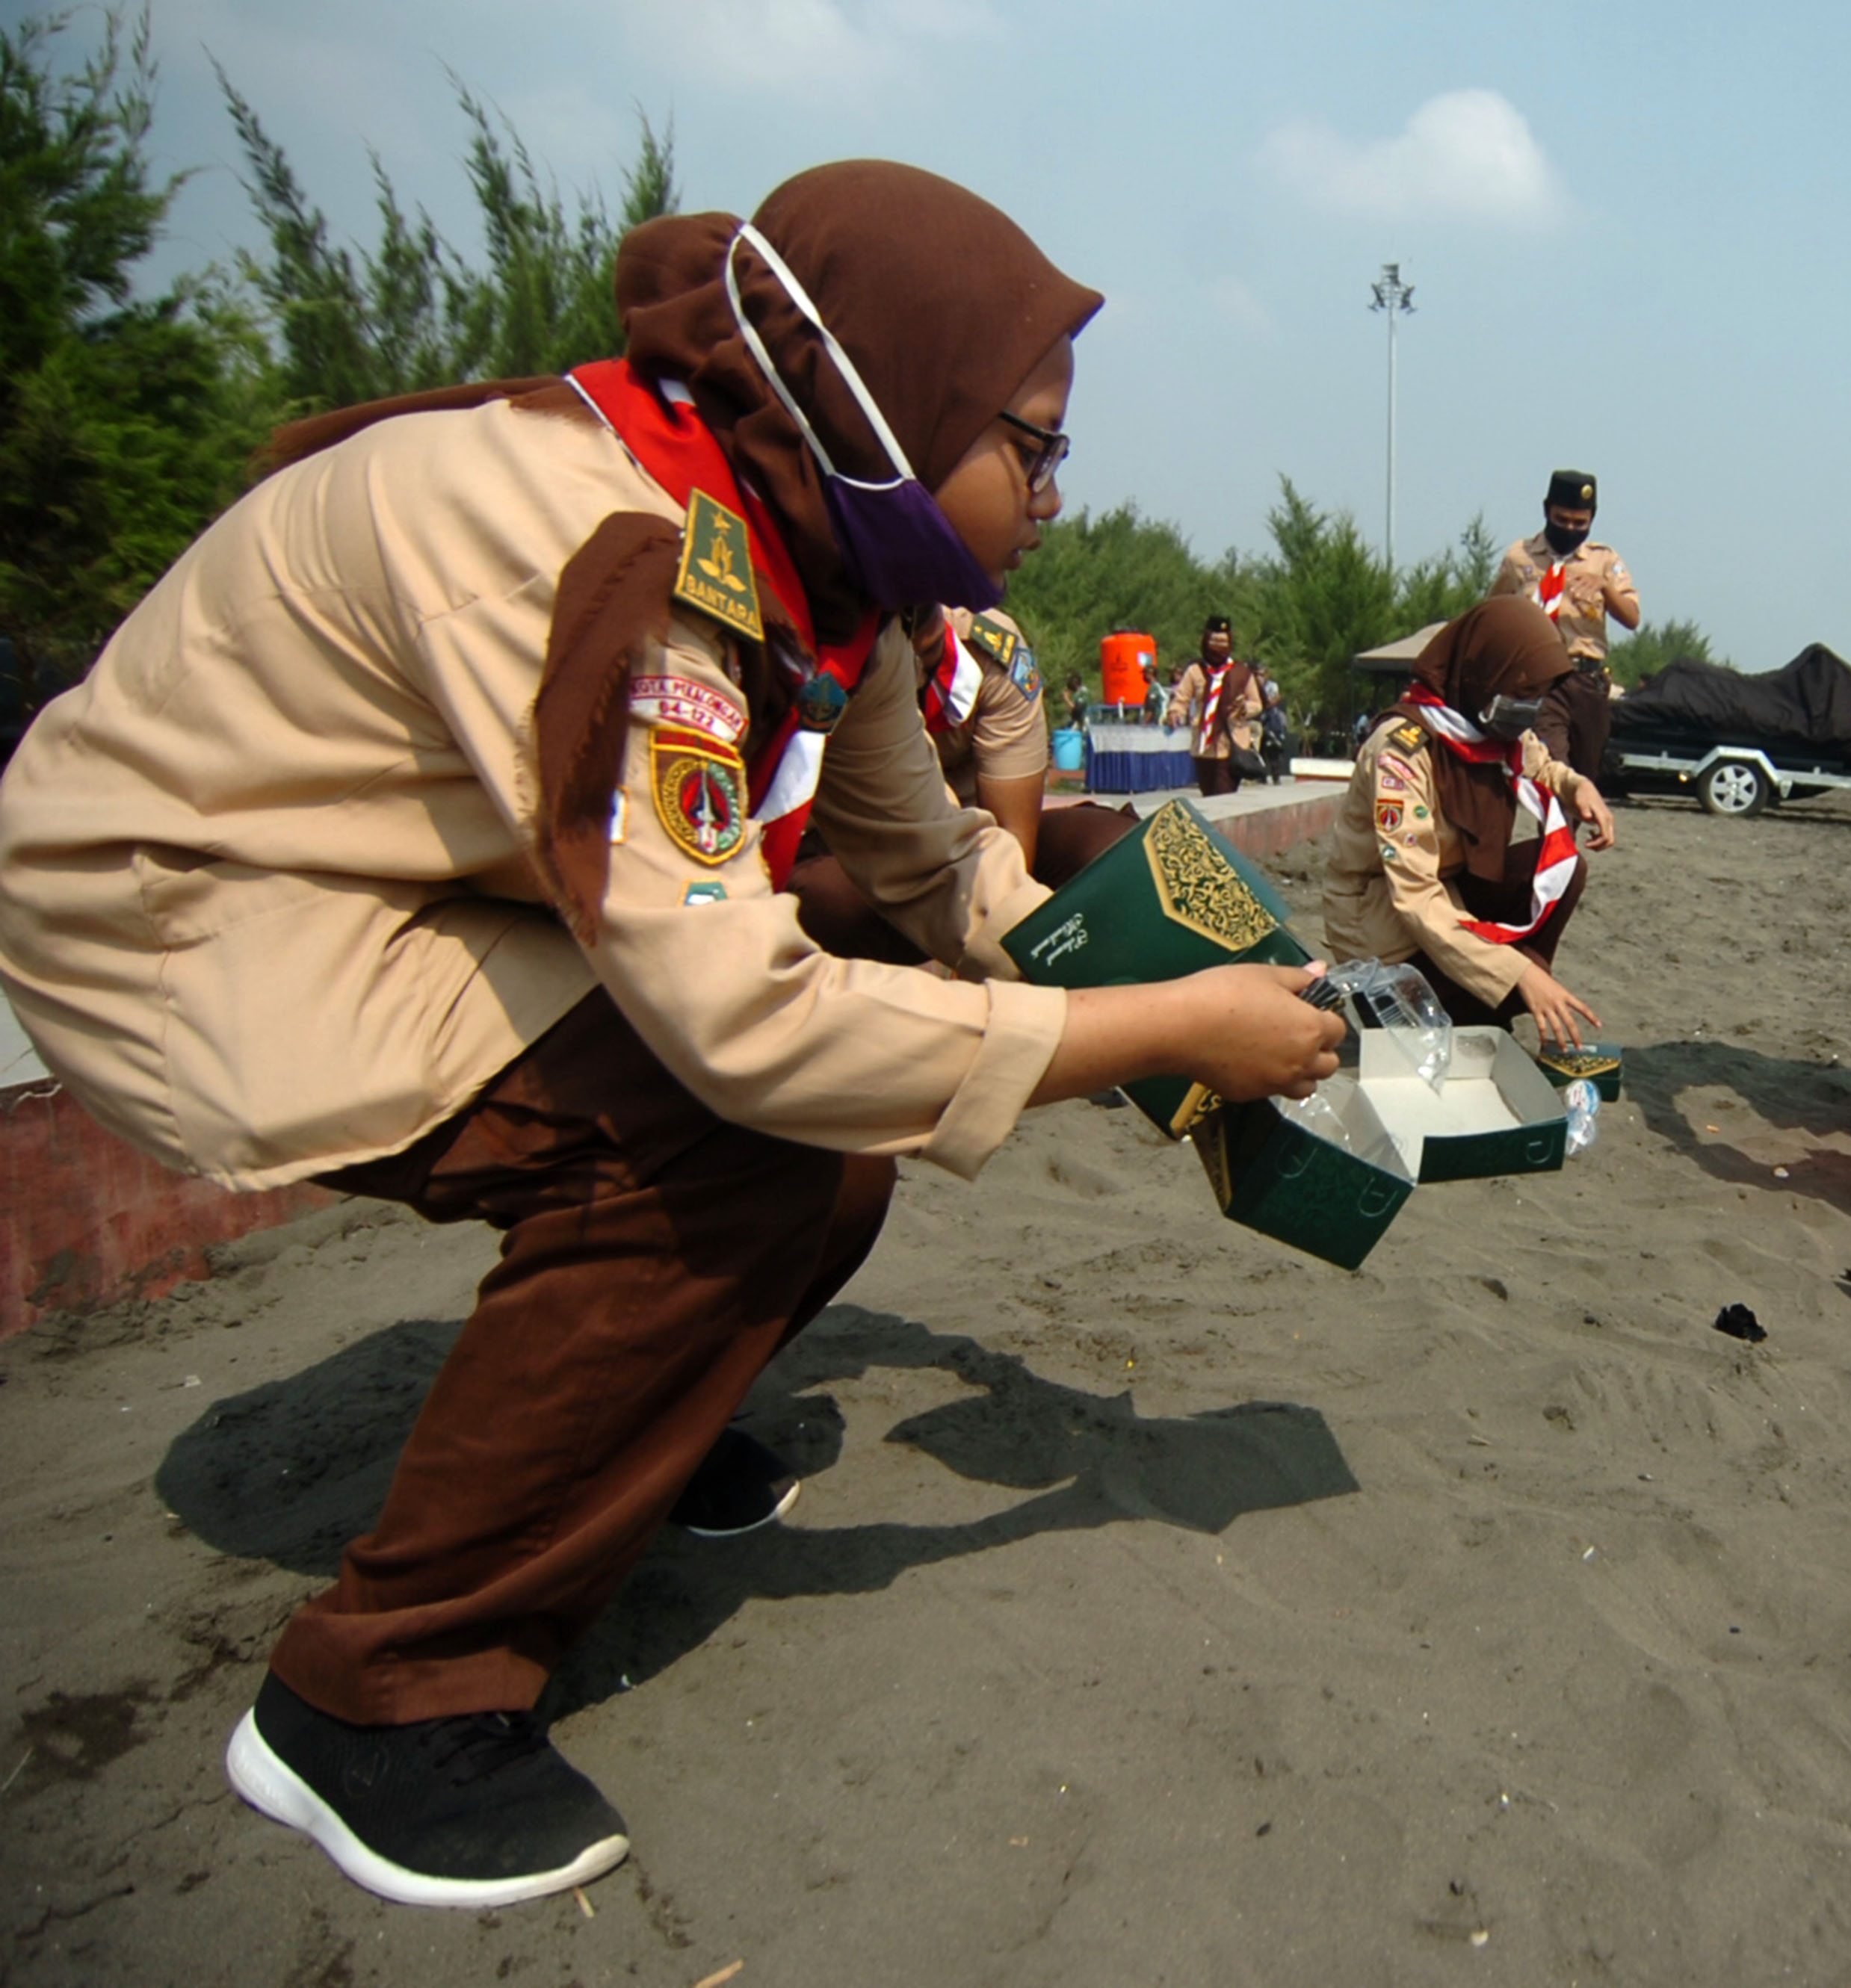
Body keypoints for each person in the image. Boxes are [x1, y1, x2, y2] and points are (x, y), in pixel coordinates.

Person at [0, 161, 1344, 1908]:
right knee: (732, 1133)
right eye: (1031, 441)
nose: (1053, 494)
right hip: (180, 905)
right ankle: (379, 1695)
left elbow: (939, 875)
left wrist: (1191, 1019)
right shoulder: (613, 545)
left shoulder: (800, 560)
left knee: (824, 1150)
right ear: (885, 396)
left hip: (393, 872)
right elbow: (742, 1023)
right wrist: (1161, 1026)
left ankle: (626, 1414)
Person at [1323, 597, 1619, 1047]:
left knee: (1566, 869)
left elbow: (1541, 765)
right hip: (1385, 922)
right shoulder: (1403, 751)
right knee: (1467, 1027)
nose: (1529, 708)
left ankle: (1497, 996)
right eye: (1521, 695)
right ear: (1485, 674)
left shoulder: (1487, 730)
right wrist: (1514, 972)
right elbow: (1416, 897)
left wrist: (1576, 787)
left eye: (1537, 697)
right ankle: (1497, 992)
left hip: (1453, 886)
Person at [786, 604, 1133, 962]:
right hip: (857, 851)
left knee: (1112, 844)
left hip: (972, 848)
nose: (1032, 543)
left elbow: (1014, 838)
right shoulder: (832, 646)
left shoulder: (988, 650)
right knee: (830, 899)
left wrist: (1013, 945)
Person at [1493, 470, 1640, 785]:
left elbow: (1632, 618)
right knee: (1554, 767)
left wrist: (1605, 588)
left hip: (1587, 681)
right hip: (1542, 677)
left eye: (1580, 523)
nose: (1570, 529)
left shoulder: (1603, 560)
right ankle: (1554, 834)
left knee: (1584, 776)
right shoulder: (1520, 558)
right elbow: (1494, 613)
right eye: (1562, 520)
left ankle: (1565, 835)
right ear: (1547, 511)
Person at [1164, 613, 1263, 796]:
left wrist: (1244, 709)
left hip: (1232, 745)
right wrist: (1175, 714)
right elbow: (1181, 698)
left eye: (1223, 643)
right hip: (1204, 748)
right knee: (1209, 796)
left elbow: (1257, 704)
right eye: (1214, 642)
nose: (1219, 648)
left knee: (1225, 795)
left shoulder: (1241, 672)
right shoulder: (1196, 671)